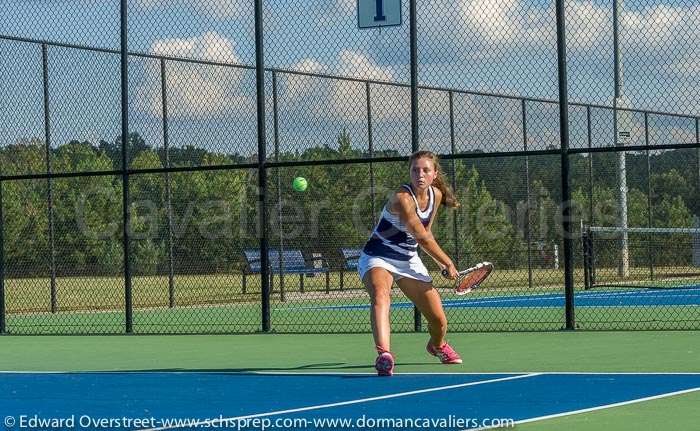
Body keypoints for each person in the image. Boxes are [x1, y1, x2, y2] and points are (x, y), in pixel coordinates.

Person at [358, 150, 462, 376]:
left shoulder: (436, 195)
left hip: (409, 259)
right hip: (379, 255)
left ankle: (437, 345)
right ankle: (384, 355)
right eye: (415, 170)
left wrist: (437, 261)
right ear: (410, 173)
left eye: (426, 170)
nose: (420, 175)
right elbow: (421, 236)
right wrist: (447, 263)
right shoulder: (402, 199)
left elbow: (427, 232)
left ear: (434, 174)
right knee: (380, 293)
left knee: (439, 321)